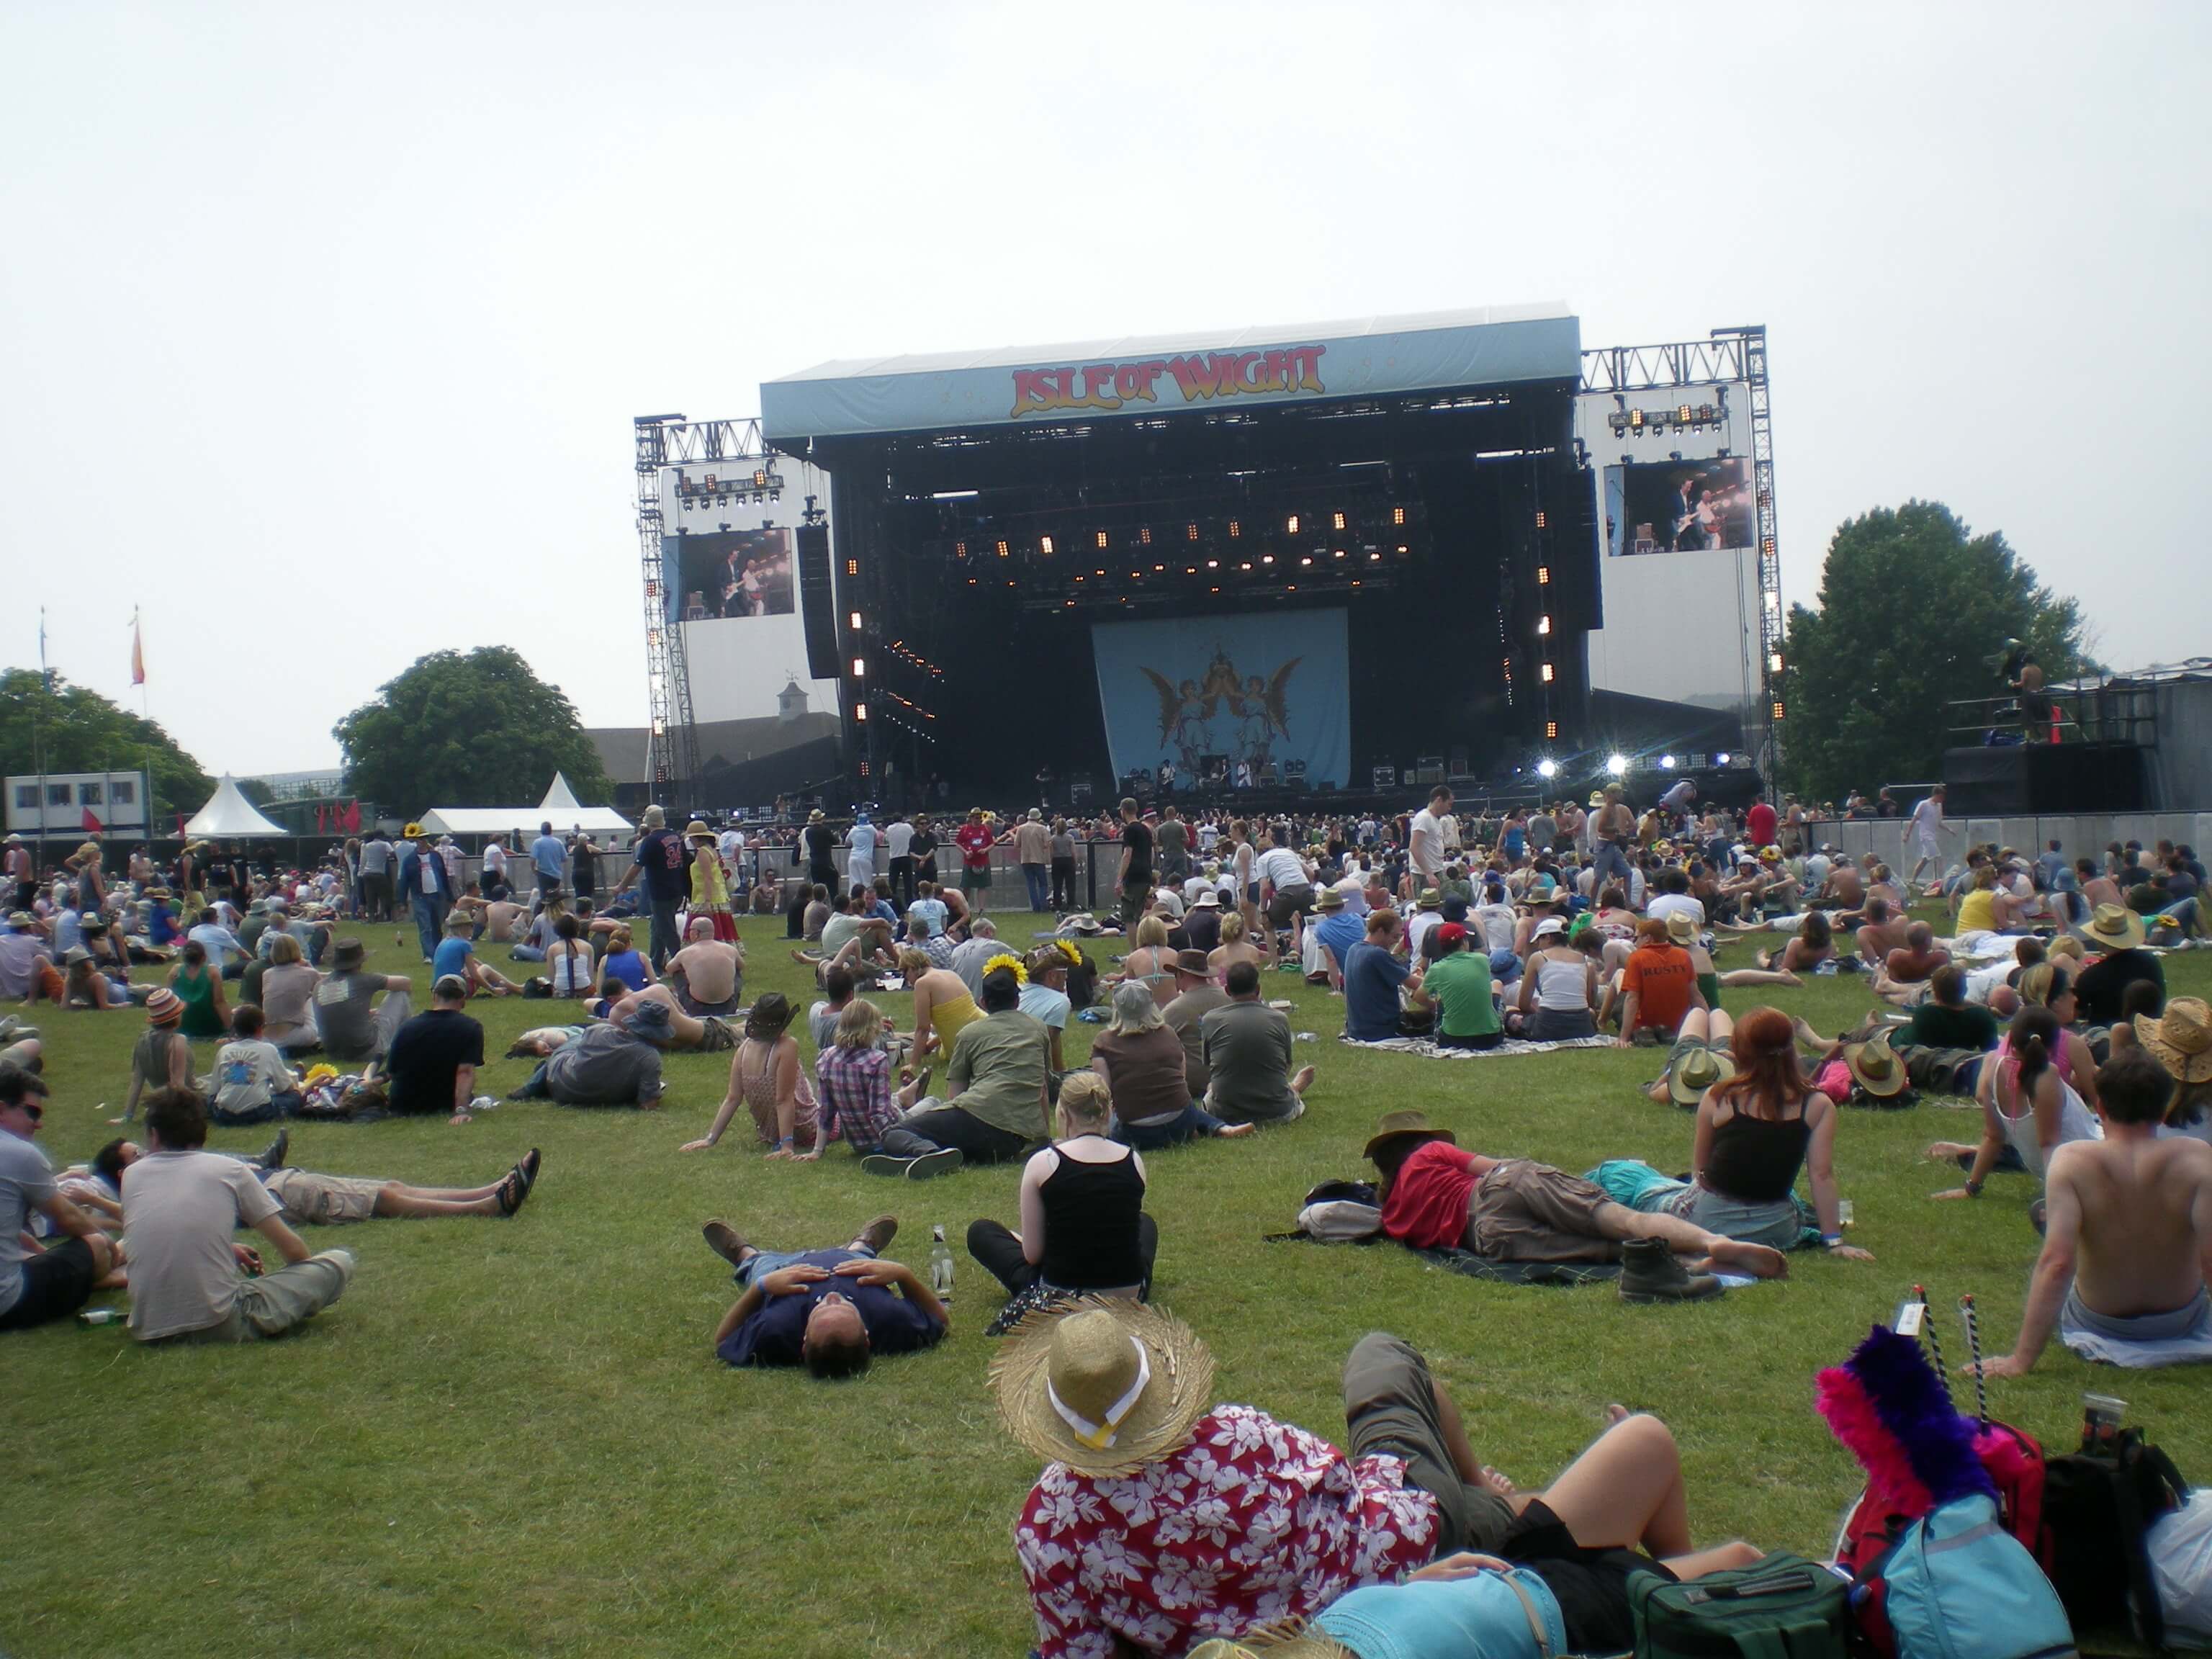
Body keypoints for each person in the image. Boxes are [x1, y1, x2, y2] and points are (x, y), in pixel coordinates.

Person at [1002, 1300, 1753, 1659]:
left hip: (1361, 1620)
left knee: (1621, 1484)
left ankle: (1659, 1582)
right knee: (1380, 1353)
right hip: (1425, 1550)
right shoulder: (1235, 1430)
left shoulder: (1050, 1529)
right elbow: (1347, 1478)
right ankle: (1502, 1499)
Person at [1367, 1111, 1787, 1294]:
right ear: (1417, 1141)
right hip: (1500, 1187)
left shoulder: (1393, 1215)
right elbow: (1495, 1166)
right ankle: (1710, 1242)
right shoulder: (1430, 1154)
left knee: (1611, 1255)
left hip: (1488, 1236)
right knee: (1626, 1221)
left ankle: (1698, 1266)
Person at [1977, 1048, 2212, 1372]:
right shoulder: (2198, 1158)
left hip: (2102, 1324)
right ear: (2162, 1112)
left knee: (2050, 1218)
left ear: (2100, 1107)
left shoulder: (2072, 1161)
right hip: (2181, 1321)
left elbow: (2057, 1262)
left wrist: (2021, 1359)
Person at [120, 1086, 354, 1344]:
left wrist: (225, 1248)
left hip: (149, 1327)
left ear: (153, 1135)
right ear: (203, 1132)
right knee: (338, 1261)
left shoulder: (132, 1175)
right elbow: (294, 1252)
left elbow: (164, 1232)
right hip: (219, 1322)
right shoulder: (230, 1170)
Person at [966, 1071, 1159, 1304]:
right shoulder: (1133, 1160)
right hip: (1126, 1292)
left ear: (1064, 1114)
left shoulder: (1044, 1163)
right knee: (1145, 1223)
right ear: (1108, 1112)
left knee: (981, 1231)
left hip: (1061, 1292)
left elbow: (1033, 1254)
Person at [705, 1212, 945, 1376]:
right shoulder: (889, 1319)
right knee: (860, 1257)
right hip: (849, 1262)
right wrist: (902, 1274)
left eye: (821, 1312)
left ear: (804, 1339)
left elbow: (724, 1341)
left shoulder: (778, 1328)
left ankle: (744, 1254)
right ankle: (863, 1245)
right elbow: (941, 1320)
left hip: (781, 1270)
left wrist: (761, 1288)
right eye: (844, 1308)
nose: (832, 1298)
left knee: (759, 1266)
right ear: (867, 1334)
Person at [863, 966, 1051, 1174]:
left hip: (979, 1118)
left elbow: (955, 1094)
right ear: (1017, 1001)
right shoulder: (1038, 1028)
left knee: (893, 1133)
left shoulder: (970, 1033)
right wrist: (1044, 1138)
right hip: (1015, 1142)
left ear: (983, 1002)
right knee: (954, 1134)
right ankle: (941, 1153)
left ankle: (929, 1153)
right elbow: (1042, 1087)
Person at [1933, 1003, 2103, 1200]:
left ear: (2011, 1038)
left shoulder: (1991, 1066)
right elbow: (2049, 1145)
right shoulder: (2047, 1075)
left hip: (2068, 1165)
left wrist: (1971, 1188)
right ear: (2054, 1044)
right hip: (2084, 1165)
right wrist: (2057, 1201)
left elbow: (1993, 1137)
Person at [0, 1071, 122, 1331]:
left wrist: (38, 1252)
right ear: (1, 1109)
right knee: (96, 1243)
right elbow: (68, 1218)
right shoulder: (18, 1153)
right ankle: (108, 1278)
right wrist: (111, 1246)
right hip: (8, 1303)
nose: (38, 1123)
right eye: (32, 1112)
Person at [1092, 981, 1254, 1148]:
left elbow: (1102, 1091)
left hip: (1135, 1131)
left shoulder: (1104, 1041)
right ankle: (1220, 1128)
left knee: (1110, 1122)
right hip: (1180, 1122)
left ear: (1116, 1007)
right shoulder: (1168, 1032)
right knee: (1188, 1108)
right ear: (1150, 1004)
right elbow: (1181, 1077)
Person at [683, 994, 813, 1154]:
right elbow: (783, 1100)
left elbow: (733, 1098)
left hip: (770, 1133)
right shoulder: (787, 1046)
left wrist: (711, 1138)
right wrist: (787, 1145)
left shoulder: (744, 1049)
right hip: (804, 1127)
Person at [1201, 961, 1315, 1125]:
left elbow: (1208, 1067)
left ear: (1227, 990)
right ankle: (1295, 1088)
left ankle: (1291, 1089)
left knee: (1211, 1088)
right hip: (1277, 1111)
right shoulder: (1279, 1018)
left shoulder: (1210, 1020)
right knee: (1281, 1087)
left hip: (1225, 1113)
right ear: (1258, 988)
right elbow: (1286, 1066)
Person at [808, 999, 923, 1157]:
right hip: (886, 1135)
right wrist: (894, 1145)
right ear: (872, 1028)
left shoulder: (825, 1058)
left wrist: (817, 1151)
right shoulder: (876, 1060)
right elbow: (878, 1114)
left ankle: (905, 1094)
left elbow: (826, 1111)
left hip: (858, 1143)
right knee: (932, 1104)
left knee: (891, 1100)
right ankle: (909, 1094)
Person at [384, 976, 485, 1124]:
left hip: (403, 1105)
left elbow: (392, 1072)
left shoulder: (407, 1027)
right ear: (463, 999)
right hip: (443, 1103)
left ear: (434, 996)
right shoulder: (471, 1027)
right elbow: (465, 1071)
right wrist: (461, 1110)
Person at [608, 806, 691, 973]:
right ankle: (656, 963)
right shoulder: (675, 836)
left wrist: (621, 886)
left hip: (661, 891)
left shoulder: (651, 840)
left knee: (667, 930)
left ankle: (680, 966)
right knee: (657, 926)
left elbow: (637, 866)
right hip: (676, 889)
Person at [210, 1005, 302, 1126]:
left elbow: (214, 1089)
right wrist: (296, 1089)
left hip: (223, 1114)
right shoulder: (268, 1049)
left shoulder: (224, 1050)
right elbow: (284, 1087)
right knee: (293, 1097)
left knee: (212, 1100)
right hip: (257, 1113)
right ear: (259, 1028)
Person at [1343, 909, 1424, 1043]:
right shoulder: (1377, 955)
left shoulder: (1354, 949)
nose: (1396, 942)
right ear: (1381, 931)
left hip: (1357, 1028)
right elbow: (1415, 984)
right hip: (1382, 1029)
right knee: (1436, 1021)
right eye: (1394, 937)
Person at [1421, 922, 1503, 1051]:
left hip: (1452, 1038)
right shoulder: (1482, 960)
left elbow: (1419, 997)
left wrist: (1435, 1002)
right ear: (1464, 942)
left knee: (1441, 996)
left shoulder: (1437, 969)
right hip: (1490, 1038)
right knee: (1496, 985)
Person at [1514, 918, 1597, 1043]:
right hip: (1581, 1025)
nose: (1538, 945)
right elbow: (1588, 1002)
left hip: (1548, 1026)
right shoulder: (1583, 959)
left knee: (1512, 1016)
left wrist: (1537, 1012)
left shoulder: (1538, 958)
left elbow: (1524, 1003)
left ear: (1548, 938)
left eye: (1540, 939)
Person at [1159, 948, 1228, 1097]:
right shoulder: (1229, 997)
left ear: (1182, 974)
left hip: (1195, 1083)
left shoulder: (1174, 1010)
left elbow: (1155, 1045)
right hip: (1229, 1077)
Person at [899, 945, 981, 1061]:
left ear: (912, 967)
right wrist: (930, 1045)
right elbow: (955, 1021)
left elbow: (923, 1029)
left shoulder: (922, 983)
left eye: (904, 974)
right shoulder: (950, 973)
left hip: (965, 1046)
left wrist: (913, 1063)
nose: (907, 980)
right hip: (983, 1030)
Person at [665, 914, 743, 1017]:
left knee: (676, 972)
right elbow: (741, 965)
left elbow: (669, 969)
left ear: (696, 933)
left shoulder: (685, 953)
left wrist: (686, 970)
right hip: (729, 1006)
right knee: (736, 969)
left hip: (696, 1008)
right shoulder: (730, 949)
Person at [397, 828, 454, 963]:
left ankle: (438, 952)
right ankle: (428, 955)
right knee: (425, 926)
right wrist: (402, 902)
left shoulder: (435, 856)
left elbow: (444, 877)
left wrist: (451, 897)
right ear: (416, 841)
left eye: (425, 839)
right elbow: (404, 881)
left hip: (437, 895)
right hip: (420, 896)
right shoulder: (410, 860)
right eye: (420, 839)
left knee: (437, 926)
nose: (423, 842)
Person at [1020, 944, 1076, 1072]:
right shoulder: (1059, 1002)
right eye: (1065, 972)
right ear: (1053, 976)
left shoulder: (1017, 991)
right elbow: (1047, 1045)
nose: (1066, 977)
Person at [168, 938, 230, 1040]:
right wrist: (230, 1028)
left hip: (182, 1027)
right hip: (210, 1028)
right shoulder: (212, 972)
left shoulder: (175, 971)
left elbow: (169, 1000)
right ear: (204, 957)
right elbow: (219, 1002)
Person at [1113, 798, 1154, 931]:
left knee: (1128, 916)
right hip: (1146, 875)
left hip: (1134, 876)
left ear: (1123, 811)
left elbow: (1127, 854)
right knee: (1139, 914)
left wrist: (1119, 880)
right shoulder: (1147, 829)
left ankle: (1135, 951)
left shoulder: (1130, 829)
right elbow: (1151, 854)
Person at [1904, 784, 1948, 889]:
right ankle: (1943, 882)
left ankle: (1913, 880)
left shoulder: (1939, 806)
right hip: (1926, 836)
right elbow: (1914, 820)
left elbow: (1938, 822)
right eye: (1941, 796)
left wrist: (1949, 830)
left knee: (1925, 859)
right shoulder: (1923, 804)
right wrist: (1907, 834)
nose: (1943, 799)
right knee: (1938, 857)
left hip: (1933, 836)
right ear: (1936, 795)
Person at [955, 806, 997, 916]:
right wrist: (965, 852)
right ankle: (964, 907)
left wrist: (985, 850)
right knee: (966, 886)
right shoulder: (965, 829)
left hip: (983, 861)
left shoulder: (985, 829)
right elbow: (958, 843)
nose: (978, 820)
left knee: (982, 886)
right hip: (969, 861)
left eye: (979, 818)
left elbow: (992, 843)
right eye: (975, 818)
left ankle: (981, 909)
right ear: (971, 818)